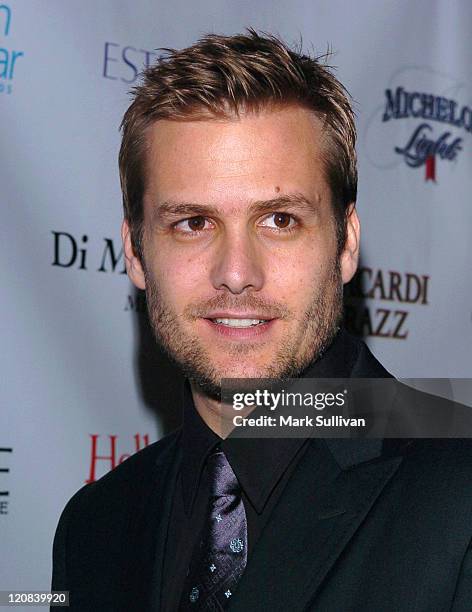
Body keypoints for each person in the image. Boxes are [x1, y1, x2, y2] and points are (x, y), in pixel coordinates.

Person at [51, 30, 472, 611]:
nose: (237, 272)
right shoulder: (95, 527)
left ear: (346, 242)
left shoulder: (460, 486)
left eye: (279, 220)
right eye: (193, 223)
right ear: (134, 250)